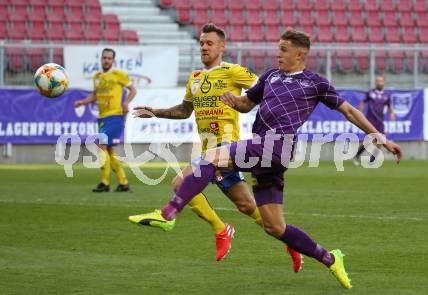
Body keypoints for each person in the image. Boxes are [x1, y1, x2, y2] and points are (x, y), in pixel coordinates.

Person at [134, 29, 403, 289]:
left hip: (277, 145)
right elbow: (246, 104)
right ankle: (331, 258)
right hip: (265, 151)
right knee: (274, 227)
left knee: (212, 158)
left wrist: (379, 137)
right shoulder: (271, 75)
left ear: (300, 54)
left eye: (283, 50)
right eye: (278, 49)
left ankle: (169, 213)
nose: (278, 55)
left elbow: (350, 112)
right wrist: (232, 101)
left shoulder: (316, 82)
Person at [128, 23, 302, 270]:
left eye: (209, 43)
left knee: (180, 183)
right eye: (201, 43)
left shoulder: (233, 72)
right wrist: (154, 112)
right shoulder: (195, 78)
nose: (204, 47)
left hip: (227, 148)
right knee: (247, 206)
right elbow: (183, 110)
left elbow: (266, 89)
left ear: (222, 46)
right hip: (210, 149)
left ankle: (221, 230)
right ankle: (291, 242)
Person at [75, 48, 137, 192]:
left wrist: (126, 102)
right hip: (102, 117)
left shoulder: (119, 74)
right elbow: (95, 95)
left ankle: (105, 182)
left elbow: (133, 90)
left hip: (115, 116)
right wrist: (82, 102)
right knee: (108, 150)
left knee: (100, 146)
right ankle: (123, 182)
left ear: (113, 61)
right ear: (101, 59)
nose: (107, 60)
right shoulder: (97, 76)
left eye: (109, 58)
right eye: (105, 58)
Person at [353, 74, 396, 165]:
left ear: (384, 82)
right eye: (377, 81)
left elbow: (389, 107)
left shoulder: (387, 95)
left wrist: (391, 113)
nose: (379, 83)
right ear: (375, 82)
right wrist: (360, 111)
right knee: (369, 141)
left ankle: (372, 161)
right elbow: (362, 102)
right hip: (370, 121)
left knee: (380, 141)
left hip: (380, 121)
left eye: (381, 81)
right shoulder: (370, 93)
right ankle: (357, 156)